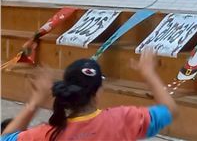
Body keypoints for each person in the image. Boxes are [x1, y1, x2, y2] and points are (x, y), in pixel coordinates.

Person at [1, 51, 176, 141]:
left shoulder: (48, 134)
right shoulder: (124, 119)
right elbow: (169, 110)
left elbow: (6, 138)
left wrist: (35, 102)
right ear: (98, 92)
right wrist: (149, 74)